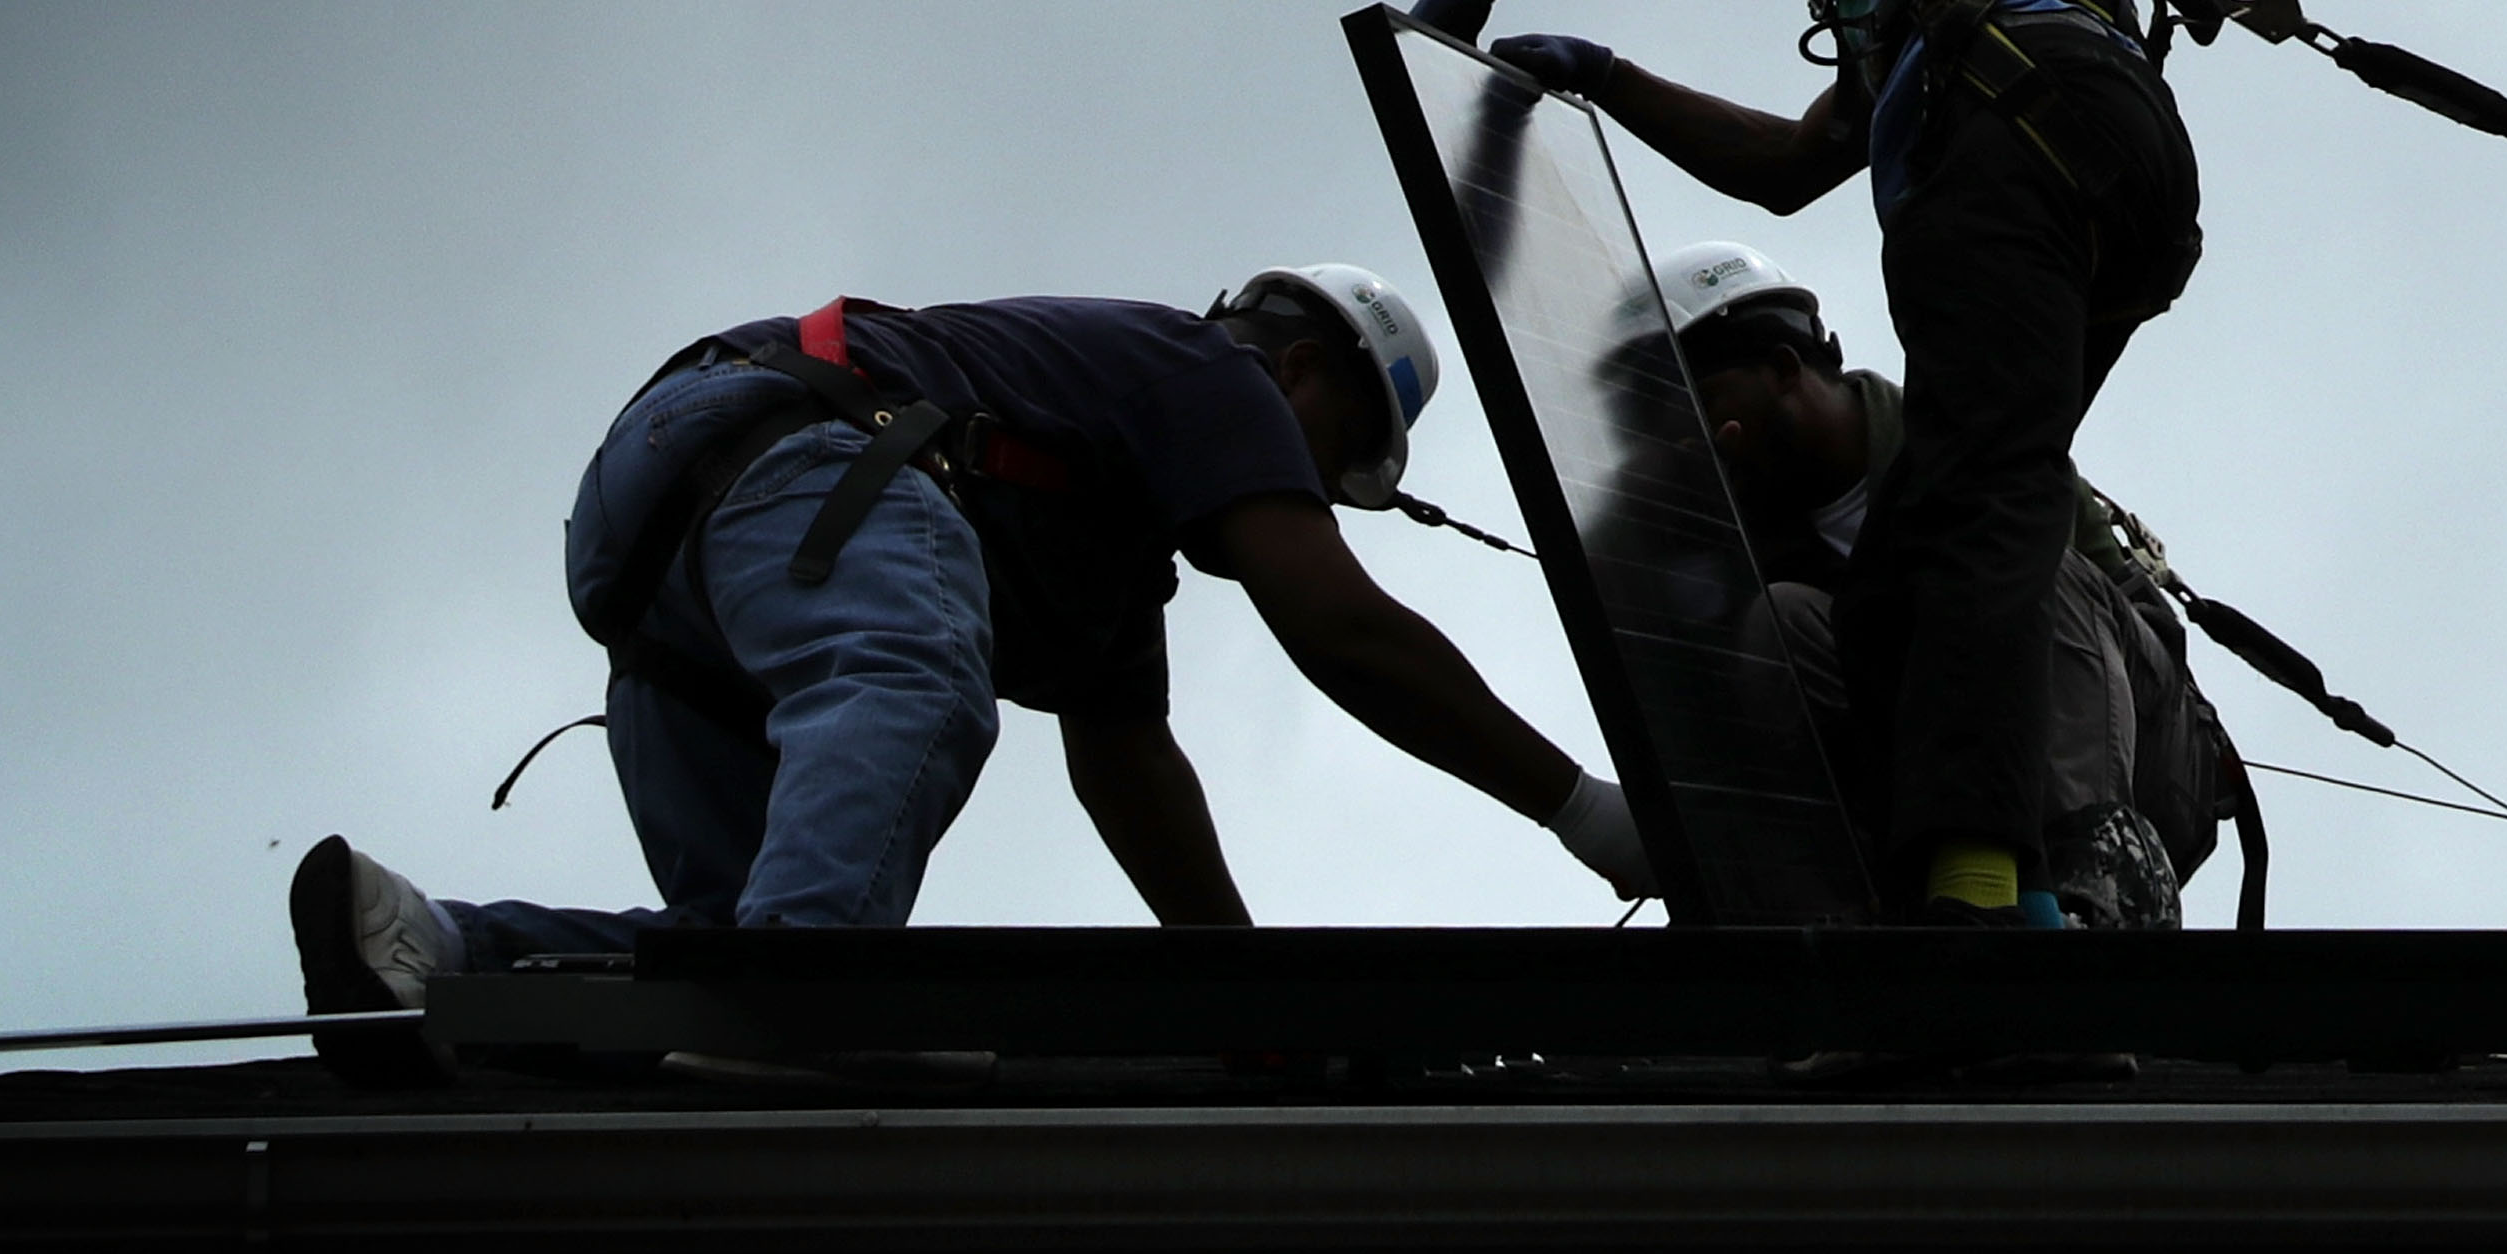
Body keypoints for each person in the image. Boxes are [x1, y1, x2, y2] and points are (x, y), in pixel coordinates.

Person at [292, 269, 1653, 1067]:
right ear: (1302, 372)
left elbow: (1130, 768)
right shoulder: (1209, 372)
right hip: (809, 461)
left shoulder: (1106, 545)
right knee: (916, 692)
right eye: (1331, 462)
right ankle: (802, 993)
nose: (1305, 497)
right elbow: (1343, 627)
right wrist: (1580, 807)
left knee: (713, 983)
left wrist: (1251, 1005)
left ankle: (443, 946)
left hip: (656, 527)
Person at [1410, 0, 2203, 925]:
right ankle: (1986, 891)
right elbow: (1788, 167)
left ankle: (1988, 900)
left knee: (1971, 516)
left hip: (2017, 139)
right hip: (2126, 182)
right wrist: (1609, 77)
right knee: (1911, 565)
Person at [1652, 240, 2204, 932]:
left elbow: (2148, 638)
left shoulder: (1971, 438)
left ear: (1784, 368)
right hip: (1952, 786)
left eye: (1705, 402)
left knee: (2022, 561)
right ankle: (1877, 927)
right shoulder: (1751, 544)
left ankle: (2087, 906)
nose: (1698, 436)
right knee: (1783, 621)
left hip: (2141, 750)